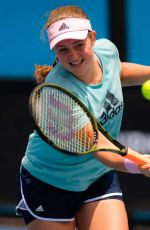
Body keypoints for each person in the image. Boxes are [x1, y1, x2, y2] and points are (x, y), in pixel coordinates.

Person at [16, 5, 150, 230]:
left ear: (93, 38)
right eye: (63, 50)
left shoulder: (106, 50)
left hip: (96, 178)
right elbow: (100, 149)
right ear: (54, 51)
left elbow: (116, 71)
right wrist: (140, 163)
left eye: (79, 45)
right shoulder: (58, 94)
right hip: (50, 182)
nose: (74, 56)